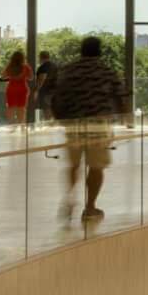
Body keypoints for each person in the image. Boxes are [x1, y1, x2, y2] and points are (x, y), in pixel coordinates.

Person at [55, 35, 125, 223]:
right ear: (99, 51)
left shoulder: (69, 70)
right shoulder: (106, 70)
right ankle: (90, 206)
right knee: (96, 166)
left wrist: (60, 117)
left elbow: (58, 94)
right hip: (98, 123)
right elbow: (120, 95)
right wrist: (122, 117)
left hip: (74, 123)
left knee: (74, 164)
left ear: (82, 50)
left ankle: (70, 196)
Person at [1, 50, 30, 130]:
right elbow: (30, 77)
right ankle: (22, 127)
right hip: (22, 89)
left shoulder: (9, 67)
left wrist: (11, 76)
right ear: (22, 58)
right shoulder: (25, 67)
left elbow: (3, 76)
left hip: (11, 89)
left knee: (11, 108)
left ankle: (11, 126)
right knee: (22, 108)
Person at [31, 50, 57, 127]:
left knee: (47, 110)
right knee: (52, 109)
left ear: (41, 57)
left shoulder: (43, 67)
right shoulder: (55, 66)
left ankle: (49, 126)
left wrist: (36, 90)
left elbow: (42, 79)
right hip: (55, 91)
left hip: (46, 92)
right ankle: (52, 125)